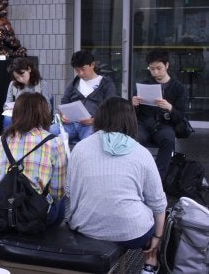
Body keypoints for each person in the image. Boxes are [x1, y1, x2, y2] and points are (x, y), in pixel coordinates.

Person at [66, 97, 166, 274]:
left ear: (100, 117)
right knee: (153, 211)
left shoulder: (80, 148)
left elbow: (69, 190)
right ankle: (150, 262)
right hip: (133, 233)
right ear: (130, 120)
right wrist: (158, 236)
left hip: (86, 227)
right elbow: (158, 202)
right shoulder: (142, 153)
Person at [0, 93, 67, 225]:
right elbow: (58, 191)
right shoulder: (54, 142)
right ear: (43, 113)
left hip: (2, 211)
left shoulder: (2, 139)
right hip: (34, 216)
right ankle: (54, 233)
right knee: (60, 199)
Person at [132, 49, 188, 178]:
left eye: (159, 68)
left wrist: (170, 108)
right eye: (152, 69)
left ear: (167, 65)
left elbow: (180, 117)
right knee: (133, 138)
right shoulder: (144, 84)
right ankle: (136, 174)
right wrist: (133, 104)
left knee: (168, 139)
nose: (155, 72)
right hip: (144, 124)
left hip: (164, 124)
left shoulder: (178, 88)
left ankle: (158, 178)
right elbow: (134, 114)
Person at [50, 50, 117, 143]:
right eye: (77, 70)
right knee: (49, 132)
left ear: (92, 65)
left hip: (93, 126)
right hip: (71, 124)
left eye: (83, 69)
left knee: (90, 140)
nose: (81, 73)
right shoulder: (74, 83)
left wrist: (95, 120)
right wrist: (63, 115)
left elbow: (111, 109)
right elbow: (64, 102)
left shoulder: (106, 84)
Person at [2, 57, 51, 129]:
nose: (20, 79)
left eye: (22, 75)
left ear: (29, 69)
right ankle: (8, 139)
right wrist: (10, 109)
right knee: (7, 119)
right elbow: (6, 105)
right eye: (17, 77)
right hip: (19, 115)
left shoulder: (41, 84)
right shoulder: (13, 84)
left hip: (35, 116)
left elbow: (47, 107)